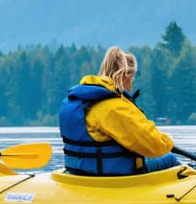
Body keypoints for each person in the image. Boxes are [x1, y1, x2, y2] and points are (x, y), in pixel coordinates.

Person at [59, 46, 180, 176]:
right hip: (113, 176)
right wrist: (168, 141)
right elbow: (155, 145)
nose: (132, 82)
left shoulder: (82, 101)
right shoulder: (116, 108)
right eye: (133, 77)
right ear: (125, 76)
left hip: (79, 172)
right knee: (169, 158)